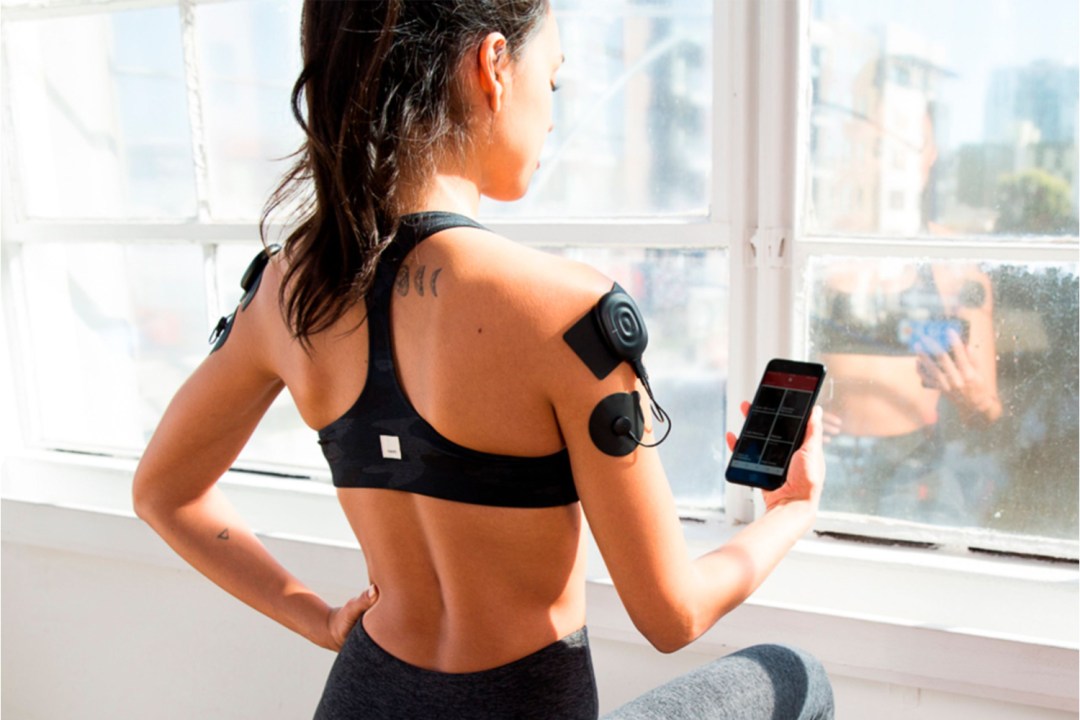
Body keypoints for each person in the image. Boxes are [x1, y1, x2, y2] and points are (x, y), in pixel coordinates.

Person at [132, 2, 834, 718]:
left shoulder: (290, 288)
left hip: (363, 692)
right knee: (796, 674)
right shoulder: (565, 310)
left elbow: (164, 492)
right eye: (553, 81)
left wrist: (316, 618)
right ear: (493, 65)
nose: (552, 113)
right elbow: (671, 615)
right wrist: (792, 510)